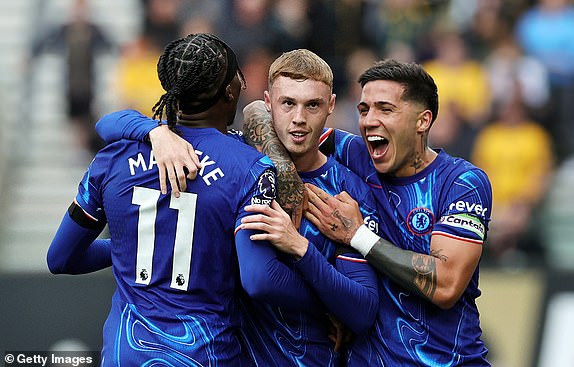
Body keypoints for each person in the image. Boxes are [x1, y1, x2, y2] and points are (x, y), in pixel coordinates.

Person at [94, 49, 381, 366]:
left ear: (330, 106)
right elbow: (108, 123)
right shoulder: (236, 157)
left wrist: (301, 249)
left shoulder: (347, 193)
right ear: (270, 102)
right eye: (288, 103)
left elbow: (363, 312)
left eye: (312, 105)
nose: (299, 117)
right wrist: (155, 131)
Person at [47, 33, 279, 366]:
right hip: (204, 354)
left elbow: (60, 259)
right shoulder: (250, 167)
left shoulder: (113, 157)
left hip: (124, 354)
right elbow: (259, 281)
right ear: (230, 92)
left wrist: (138, 246)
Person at [303, 59, 493, 366]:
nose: (368, 121)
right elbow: (271, 119)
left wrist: (358, 235)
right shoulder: (355, 154)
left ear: (423, 121)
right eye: (364, 110)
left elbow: (445, 284)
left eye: (385, 109)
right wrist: (193, 143)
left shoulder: (462, 183)